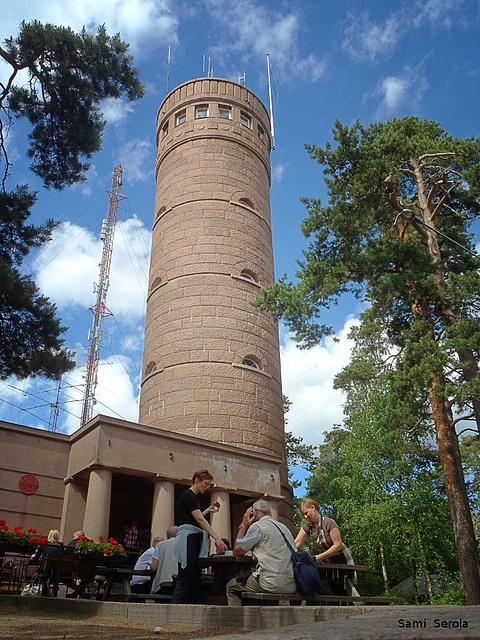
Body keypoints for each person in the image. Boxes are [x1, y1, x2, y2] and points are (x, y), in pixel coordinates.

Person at [226, 499, 296, 606]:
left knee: (231, 586)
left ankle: (236, 620)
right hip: (291, 583)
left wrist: (244, 525)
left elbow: (237, 551)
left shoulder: (258, 527)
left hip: (270, 583)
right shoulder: (284, 528)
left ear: (253, 513)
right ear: (270, 512)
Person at [171, 469, 227, 604]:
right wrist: (217, 538)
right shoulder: (188, 495)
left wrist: (208, 510)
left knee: (194, 578)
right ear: (197, 480)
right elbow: (200, 520)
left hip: (193, 538)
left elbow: (194, 518)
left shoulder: (192, 497)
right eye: (206, 484)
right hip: (188, 539)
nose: (207, 488)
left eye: (209, 485)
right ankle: (173, 612)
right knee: (186, 577)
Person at [295, 498, 355, 596]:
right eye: (303, 515)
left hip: (341, 559)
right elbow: (296, 543)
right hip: (328, 561)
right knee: (334, 588)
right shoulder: (309, 527)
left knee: (345, 589)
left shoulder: (329, 523)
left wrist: (319, 557)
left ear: (313, 508)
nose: (305, 516)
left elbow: (338, 545)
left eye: (306, 513)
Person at [150, 525, 178, 595]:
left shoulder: (159, 545)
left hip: (162, 583)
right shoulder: (183, 545)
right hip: (178, 584)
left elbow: (153, 567)